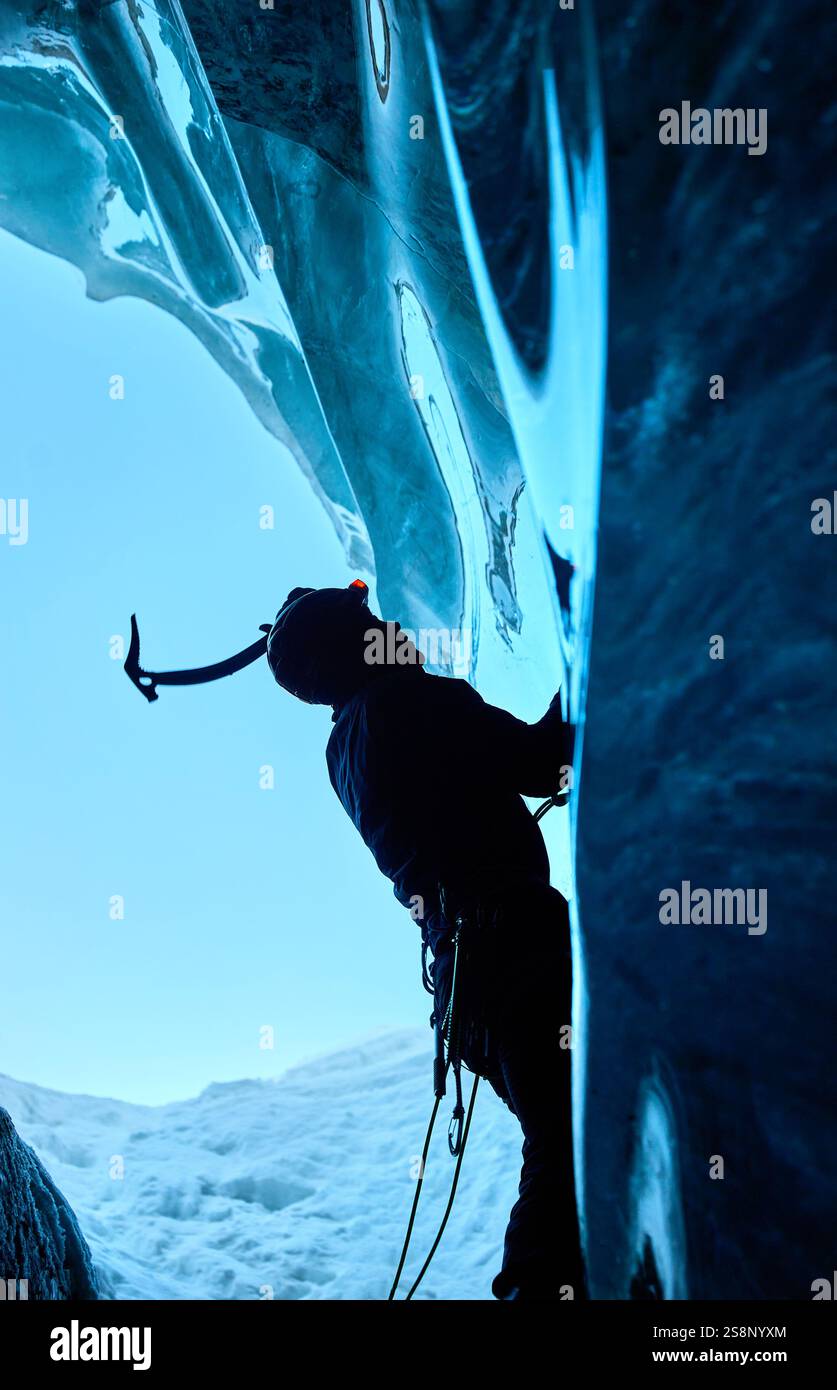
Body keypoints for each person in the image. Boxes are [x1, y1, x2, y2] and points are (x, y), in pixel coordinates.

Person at [267, 580, 587, 1300]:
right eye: (369, 625)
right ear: (348, 651)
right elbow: (543, 761)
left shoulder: (347, 742)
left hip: (466, 982)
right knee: (566, 1137)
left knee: (563, 1133)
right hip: (513, 955)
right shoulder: (408, 704)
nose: (390, 627)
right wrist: (593, 651)